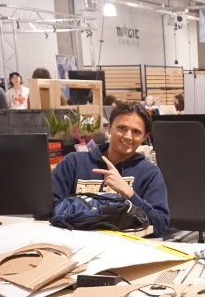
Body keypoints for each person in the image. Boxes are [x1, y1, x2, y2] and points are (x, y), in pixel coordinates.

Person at [51, 101, 169, 236]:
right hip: (73, 242)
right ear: (109, 128)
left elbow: (160, 224)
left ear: (144, 137)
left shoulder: (149, 173)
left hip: (124, 246)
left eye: (136, 132)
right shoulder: (74, 163)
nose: (128, 136)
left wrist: (129, 193)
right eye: (122, 128)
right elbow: (47, 210)